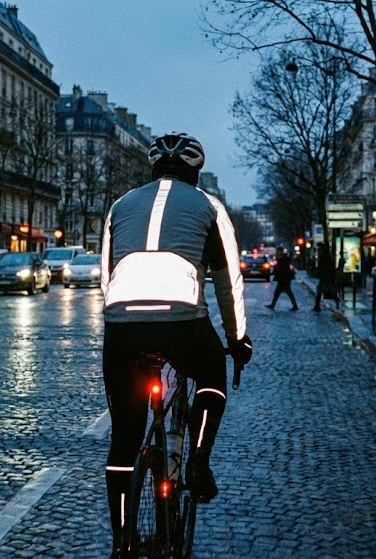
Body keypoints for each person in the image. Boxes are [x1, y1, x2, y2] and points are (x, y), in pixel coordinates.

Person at [100, 132, 253, 557]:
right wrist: (238, 340)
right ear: (195, 172)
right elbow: (228, 282)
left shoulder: (120, 205)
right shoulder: (210, 207)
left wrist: (120, 323)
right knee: (211, 374)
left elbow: (106, 278)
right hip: (182, 321)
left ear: (153, 168)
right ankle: (199, 461)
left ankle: (121, 541)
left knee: (124, 439)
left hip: (122, 323)